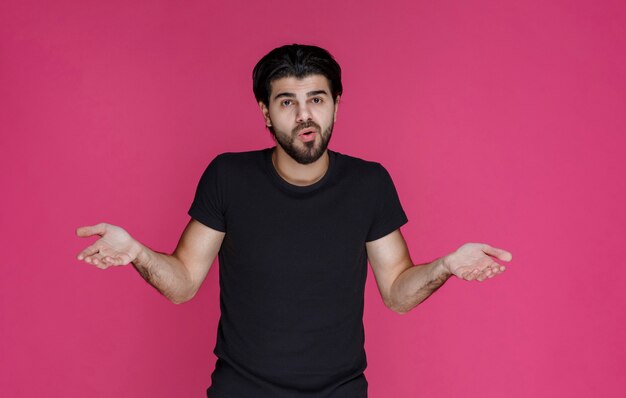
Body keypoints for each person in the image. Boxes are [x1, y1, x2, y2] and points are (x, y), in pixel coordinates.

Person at [76, 44, 512, 398]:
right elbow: (184, 282)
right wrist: (136, 252)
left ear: (336, 106)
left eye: (316, 100)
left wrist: (445, 267)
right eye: (288, 102)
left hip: (340, 392)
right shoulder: (229, 176)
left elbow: (397, 292)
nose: (304, 115)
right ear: (266, 113)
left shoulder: (368, 183)